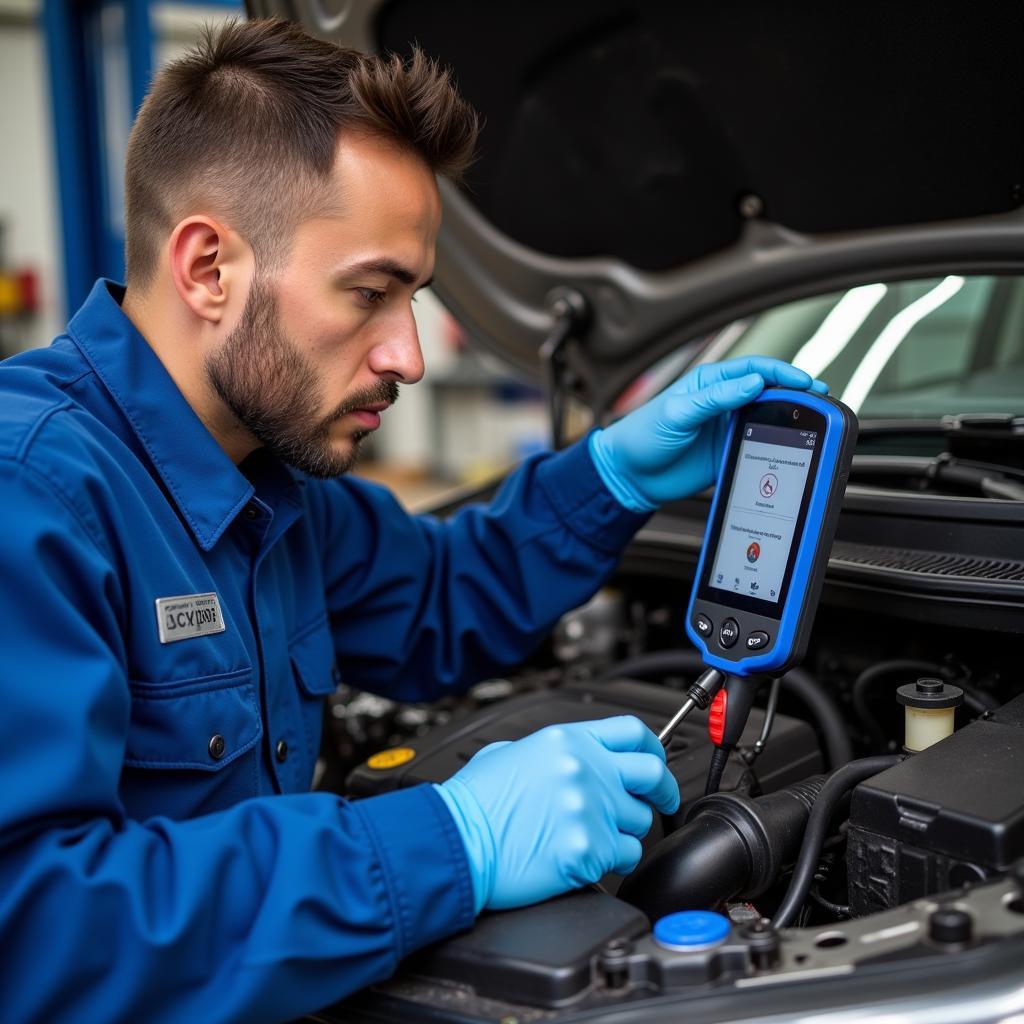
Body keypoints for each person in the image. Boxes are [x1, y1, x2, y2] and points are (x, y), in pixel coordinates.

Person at [0, 18, 825, 1023]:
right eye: (370, 294)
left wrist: (611, 472)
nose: (408, 356)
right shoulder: (33, 493)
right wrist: (453, 842)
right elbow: (33, 926)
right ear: (209, 268)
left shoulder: (271, 479)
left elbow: (438, 598)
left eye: (416, 298)